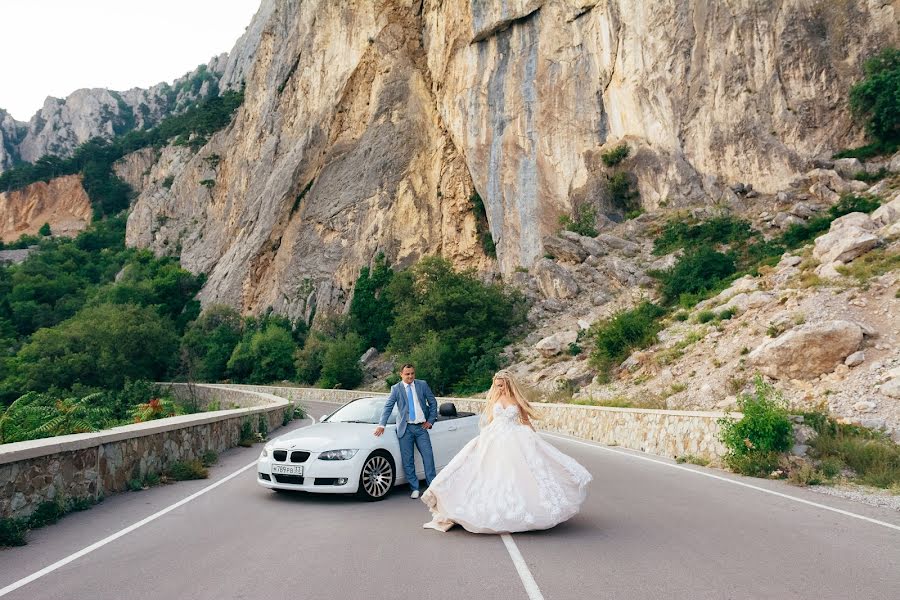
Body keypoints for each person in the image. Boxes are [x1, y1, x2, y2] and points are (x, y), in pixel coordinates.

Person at [421, 370, 592, 533]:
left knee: (517, 473)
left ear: (508, 384)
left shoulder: (517, 400)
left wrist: (534, 439)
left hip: (514, 436)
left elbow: (525, 420)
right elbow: (490, 420)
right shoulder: (495, 398)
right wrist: (484, 437)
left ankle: (521, 510)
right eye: (496, 385)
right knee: (478, 468)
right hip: (494, 437)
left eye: (501, 385)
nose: (498, 388)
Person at [374, 363, 438, 499]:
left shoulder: (422, 385)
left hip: (421, 428)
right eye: (407, 374)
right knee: (407, 460)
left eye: (412, 373)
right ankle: (414, 488)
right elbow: (388, 407)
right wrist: (381, 425)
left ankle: (432, 488)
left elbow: (433, 402)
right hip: (405, 429)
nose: (410, 376)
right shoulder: (396, 389)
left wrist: (430, 420)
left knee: (428, 457)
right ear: (401, 374)